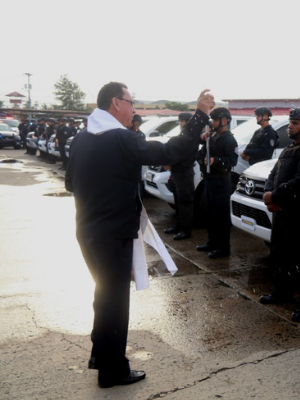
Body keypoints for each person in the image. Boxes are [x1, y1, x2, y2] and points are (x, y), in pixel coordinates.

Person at [65, 82, 214, 388]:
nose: (133, 109)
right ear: (116, 103)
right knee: (115, 302)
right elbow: (171, 151)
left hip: (87, 231)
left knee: (103, 296)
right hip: (112, 234)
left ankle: (100, 355)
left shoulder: (81, 138)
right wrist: (199, 115)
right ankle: (113, 371)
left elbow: (70, 183)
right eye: (131, 102)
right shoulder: (120, 138)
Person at [259, 107, 300, 323]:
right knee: (278, 254)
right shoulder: (289, 149)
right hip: (281, 213)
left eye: (295, 123)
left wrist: (275, 197)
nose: (290, 126)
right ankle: (282, 292)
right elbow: (274, 174)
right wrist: (268, 194)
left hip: (298, 213)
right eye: (291, 122)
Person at [195, 107, 238, 258]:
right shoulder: (211, 136)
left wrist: (216, 160)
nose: (212, 123)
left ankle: (223, 247)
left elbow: (232, 160)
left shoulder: (229, 139)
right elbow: (200, 153)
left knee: (221, 215)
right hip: (209, 179)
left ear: (224, 121)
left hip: (221, 180)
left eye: (215, 120)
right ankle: (211, 242)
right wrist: (203, 159)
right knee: (210, 212)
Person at [164, 112, 196, 240]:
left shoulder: (191, 137)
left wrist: (170, 162)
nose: (182, 124)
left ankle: (186, 230)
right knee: (178, 201)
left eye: (184, 121)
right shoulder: (183, 136)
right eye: (181, 121)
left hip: (184, 173)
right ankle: (178, 226)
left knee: (185, 203)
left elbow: (182, 155)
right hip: (177, 173)